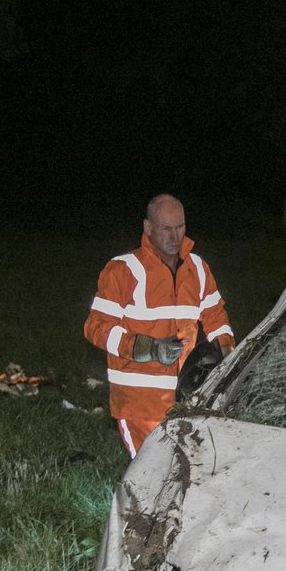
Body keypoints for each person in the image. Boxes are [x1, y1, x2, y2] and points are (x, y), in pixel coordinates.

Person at [83, 194, 235, 456]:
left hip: (187, 400)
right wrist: (147, 347)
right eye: (166, 228)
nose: (174, 237)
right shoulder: (123, 270)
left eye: (180, 227)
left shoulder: (198, 268)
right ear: (148, 227)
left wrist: (227, 357)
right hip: (138, 405)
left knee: (189, 475)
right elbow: (96, 327)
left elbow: (216, 319)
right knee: (152, 477)